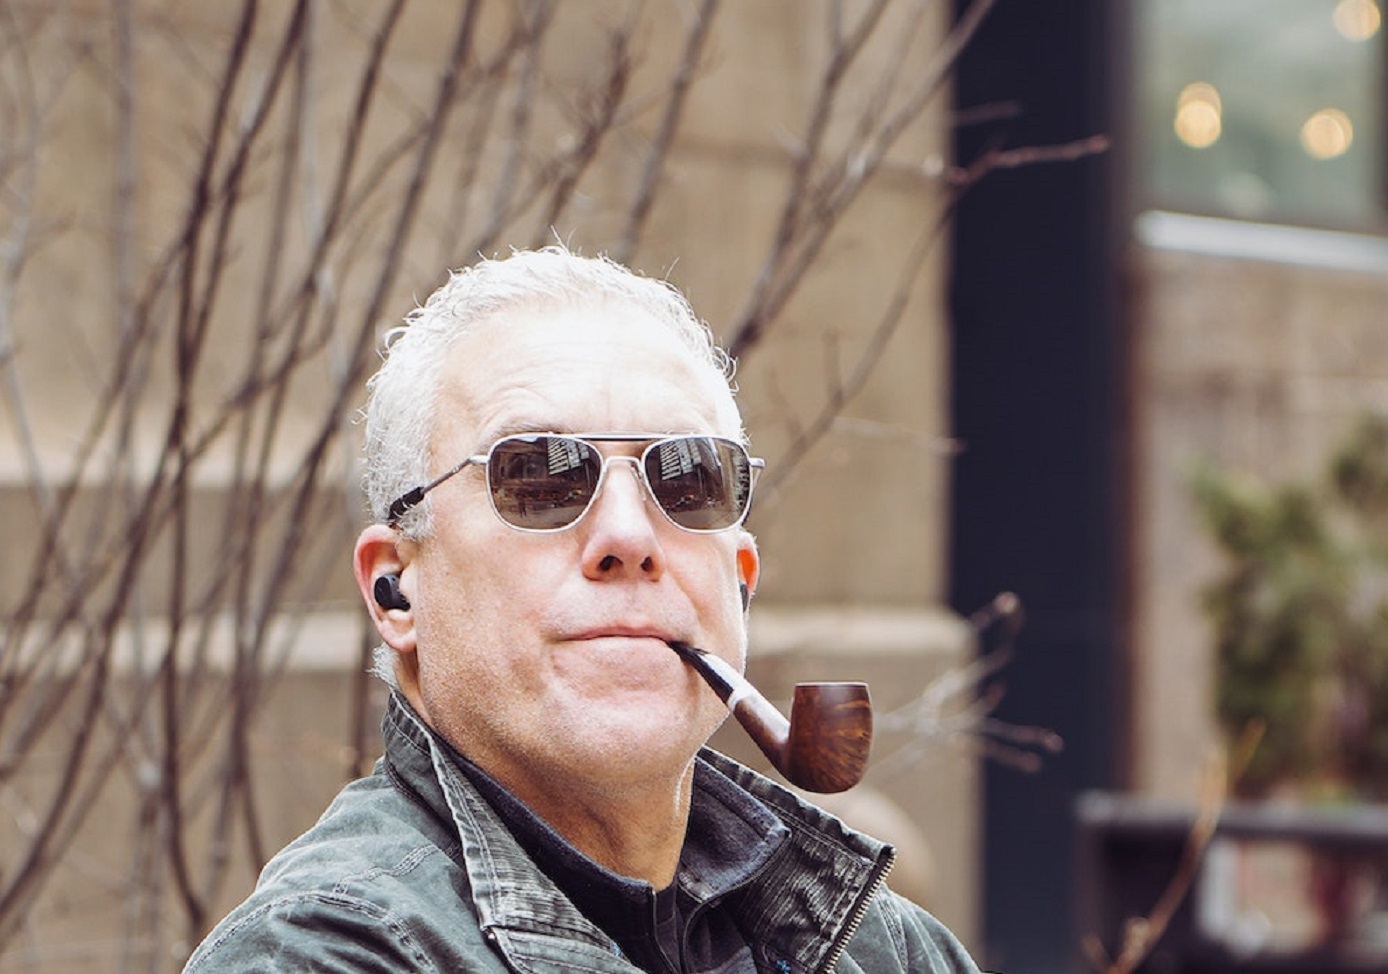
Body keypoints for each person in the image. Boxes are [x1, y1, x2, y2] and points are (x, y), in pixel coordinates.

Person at [183, 246, 982, 974]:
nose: (631, 536)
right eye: (538, 477)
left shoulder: (893, 952)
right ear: (396, 589)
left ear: (739, 583)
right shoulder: (322, 956)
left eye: (686, 478)